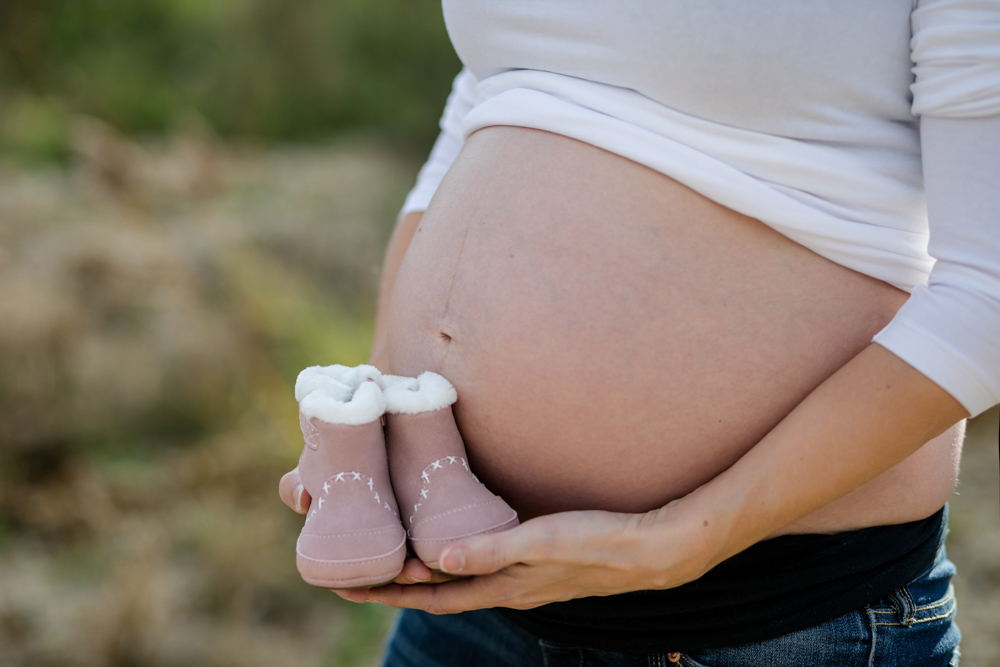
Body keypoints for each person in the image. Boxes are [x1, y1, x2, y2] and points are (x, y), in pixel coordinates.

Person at [280, 1, 1000, 664]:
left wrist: (680, 540)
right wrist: (384, 400)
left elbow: (988, 291)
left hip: (761, 620)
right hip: (471, 597)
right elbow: (491, 91)